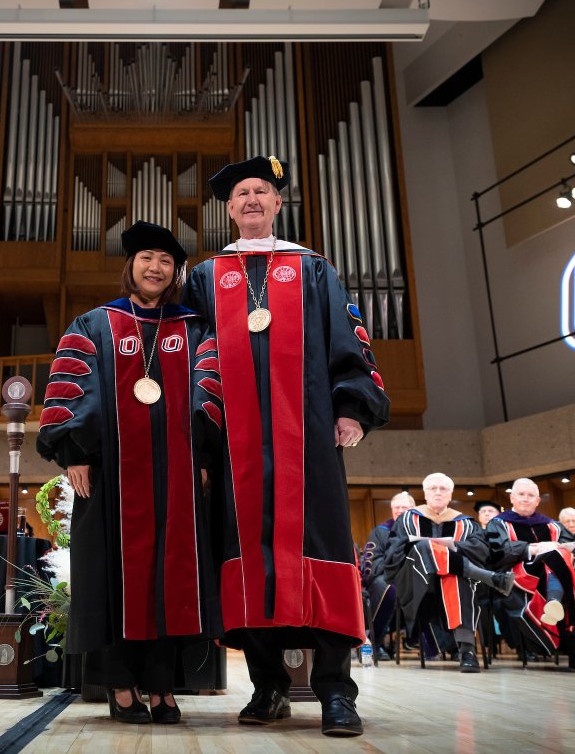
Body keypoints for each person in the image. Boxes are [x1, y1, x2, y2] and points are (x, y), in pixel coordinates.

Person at [181, 156, 389, 737]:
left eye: (261, 191)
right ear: (229, 208)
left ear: (277, 203)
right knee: (246, 555)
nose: (251, 199)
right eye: (241, 193)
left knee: (322, 548)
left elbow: (347, 337)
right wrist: (201, 440)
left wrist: (350, 408)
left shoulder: (313, 267)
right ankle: (267, 686)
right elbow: (193, 356)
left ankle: (336, 692)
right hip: (235, 445)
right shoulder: (206, 276)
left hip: (309, 438)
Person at [38, 221, 222, 725]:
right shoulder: (95, 325)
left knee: (171, 579)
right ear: (131, 265)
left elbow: (210, 392)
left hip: (177, 480)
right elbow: (71, 389)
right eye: (147, 258)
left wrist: (204, 457)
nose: (155, 268)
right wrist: (75, 452)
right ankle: (121, 686)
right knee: (112, 578)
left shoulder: (194, 329)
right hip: (110, 477)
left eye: (166, 261)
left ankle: (162, 685)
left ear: (175, 272)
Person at [381, 473, 514, 673]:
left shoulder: (466, 523)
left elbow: (481, 550)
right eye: (433, 488)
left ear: (450, 494)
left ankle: (468, 653)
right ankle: (490, 578)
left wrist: (451, 548)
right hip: (417, 580)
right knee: (423, 547)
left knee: (455, 577)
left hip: (456, 579)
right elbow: (394, 553)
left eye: (443, 489)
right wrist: (427, 548)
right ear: (425, 493)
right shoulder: (407, 519)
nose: (438, 492)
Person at [485, 478, 575, 673]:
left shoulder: (553, 526)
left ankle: (558, 609)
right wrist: (533, 549)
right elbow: (497, 553)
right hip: (518, 578)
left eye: (530, 495)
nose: (526, 498)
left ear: (538, 501)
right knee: (565, 577)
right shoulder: (499, 524)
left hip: (552, 577)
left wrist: (562, 548)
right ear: (512, 498)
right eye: (521, 494)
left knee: (563, 563)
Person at [360, 491, 414, 659]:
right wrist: (396, 570)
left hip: (415, 578)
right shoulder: (380, 531)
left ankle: (445, 646)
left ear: (413, 509)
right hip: (388, 577)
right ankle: (375, 641)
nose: (400, 510)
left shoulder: (421, 530)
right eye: (396, 507)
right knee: (385, 587)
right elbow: (372, 562)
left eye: (404, 507)